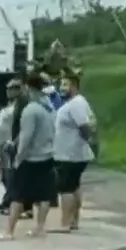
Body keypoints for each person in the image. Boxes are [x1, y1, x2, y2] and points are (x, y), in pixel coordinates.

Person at [0, 72, 56, 240]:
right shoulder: (48, 107)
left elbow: (26, 136)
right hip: (47, 155)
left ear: (28, 87)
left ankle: (9, 231)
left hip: (31, 158)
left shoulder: (30, 110)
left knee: (17, 195)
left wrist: (18, 158)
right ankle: (40, 228)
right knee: (44, 195)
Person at [52, 74, 97, 232]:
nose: (62, 88)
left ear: (74, 86)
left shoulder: (76, 104)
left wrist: (88, 140)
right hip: (73, 152)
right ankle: (74, 221)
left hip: (70, 153)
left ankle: (65, 223)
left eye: (66, 84)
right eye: (61, 85)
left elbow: (84, 126)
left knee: (66, 188)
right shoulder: (75, 103)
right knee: (74, 186)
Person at [0, 78, 24, 213]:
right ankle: (8, 198)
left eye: (11, 89)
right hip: (2, 142)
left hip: (10, 143)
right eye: (7, 89)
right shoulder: (9, 105)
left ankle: (11, 200)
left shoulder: (19, 106)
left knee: (10, 174)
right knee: (4, 173)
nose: (8, 92)